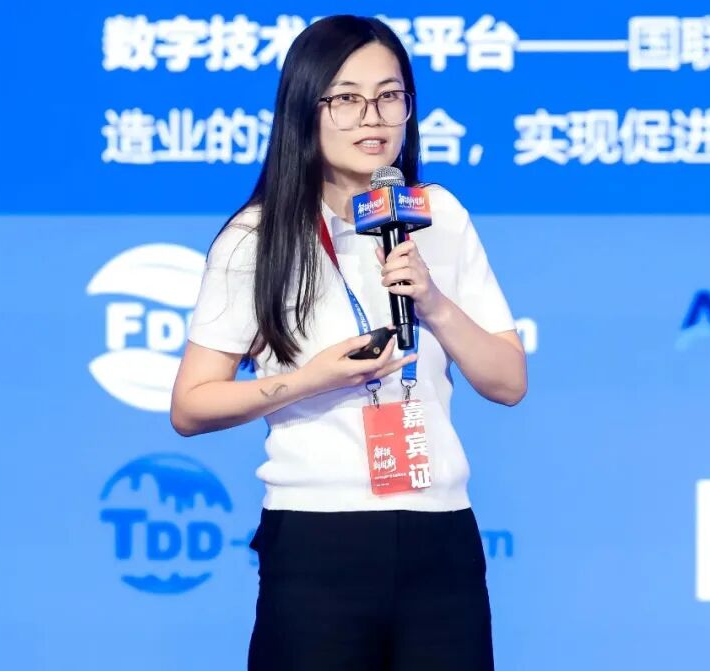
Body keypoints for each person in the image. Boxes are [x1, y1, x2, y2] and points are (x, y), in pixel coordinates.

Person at [171, 14, 526, 671]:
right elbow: (191, 405)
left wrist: (433, 302)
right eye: (348, 99)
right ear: (306, 109)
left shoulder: (438, 216)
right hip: (316, 538)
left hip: (440, 535)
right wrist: (310, 379)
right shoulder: (256, 239)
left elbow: (508, 380)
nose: (373, 117)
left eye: (390, 96)